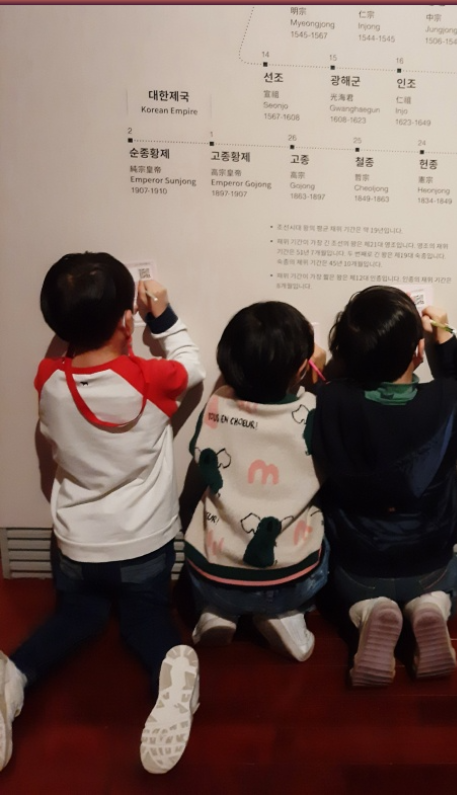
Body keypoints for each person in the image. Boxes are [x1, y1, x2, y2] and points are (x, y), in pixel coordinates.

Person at [0, 253, 205, 775]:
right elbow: (194, 366)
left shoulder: (48, 380)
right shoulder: (154, 379)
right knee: (144, 618)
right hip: (143, 546)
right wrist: (160, 315)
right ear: (125, 319)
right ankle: (170, 674)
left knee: (77, 617)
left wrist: (100, 328)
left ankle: (14, 677)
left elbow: (73, 361)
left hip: (77, 549)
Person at [312, 286, 457, 687]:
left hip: (360, 565)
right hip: (431, 561)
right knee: (443, 584)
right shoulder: (449, 400)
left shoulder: (329, 403)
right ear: (417, 352)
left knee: (350, 590)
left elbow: (318, 395)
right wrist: (442, 332)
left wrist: (320, 368)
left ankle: (370, 611)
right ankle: (432, 607)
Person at [183, 302, 328, 664]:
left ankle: (216, 611)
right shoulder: (312, 410)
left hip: (211, 576)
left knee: (213, 564)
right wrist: (318, 378)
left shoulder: (218, 404)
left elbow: (197, 451)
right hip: (288, 581)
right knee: (326, 537)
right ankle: (283, 616)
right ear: (301, 369)